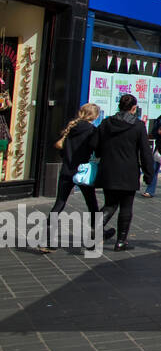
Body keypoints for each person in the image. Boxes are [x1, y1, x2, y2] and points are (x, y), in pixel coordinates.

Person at [96, 94, 153, 252]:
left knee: (110, 203)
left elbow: (96, 143)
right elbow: (145, 152)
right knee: (126, 206)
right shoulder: (138, 126)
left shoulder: (107, 122)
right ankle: (121, 241)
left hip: (108, 169)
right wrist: (149, 174)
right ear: (133, 108)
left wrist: (102, 153)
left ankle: (96, 227)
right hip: (128, 171)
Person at [46, 103, 102, 253]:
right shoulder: (92, 131)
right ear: (95, 116)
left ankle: (48, 241)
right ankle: (95, 236)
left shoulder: (71, 129)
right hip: (82, 172)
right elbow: (97, 150)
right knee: (92, 205)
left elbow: (62, 149)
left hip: (66, 170)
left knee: (59, 204)